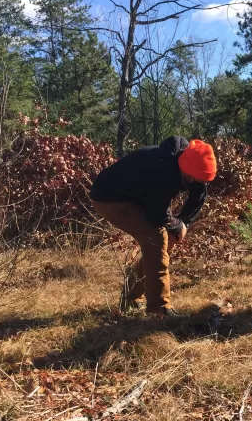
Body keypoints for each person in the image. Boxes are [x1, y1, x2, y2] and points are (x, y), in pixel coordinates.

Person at [90, 136, 217, 317]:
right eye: (193, 178)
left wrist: (183, 224)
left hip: (137, 196)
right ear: (184, 168)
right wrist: (175, 225)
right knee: (156, 238)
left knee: (164, 241)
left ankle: (130, 298)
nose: (196, 182)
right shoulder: (161, 169)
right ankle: (160, 309)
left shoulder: (194, 171)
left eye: (201, 180)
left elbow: (198, 196)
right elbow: (157, 215)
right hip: (109, 198)